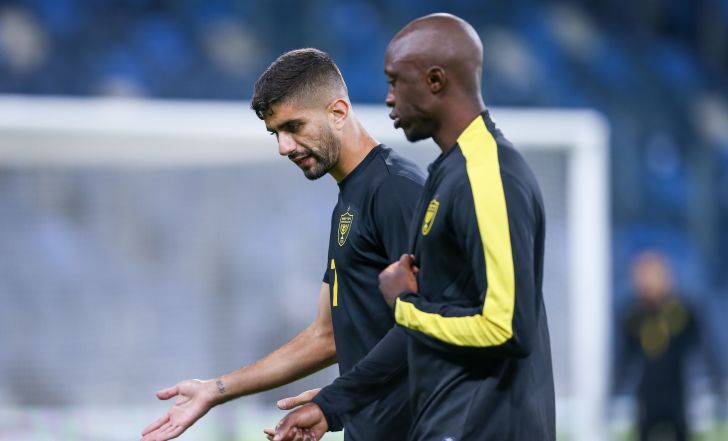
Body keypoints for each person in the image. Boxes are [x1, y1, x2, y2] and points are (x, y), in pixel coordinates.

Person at [272, 13, 556, 441]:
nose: (389, 99)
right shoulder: (448, 174)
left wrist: (405, 304)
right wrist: (334, 404)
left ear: (435, 80)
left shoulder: (488, 173)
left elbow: (506, 327)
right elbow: (430, 328)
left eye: (395, 82)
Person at [139, 48, 424, 441]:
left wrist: (335, 402)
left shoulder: (395, 191)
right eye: (276, 132)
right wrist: (215, 390)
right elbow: (326, 335)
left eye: (294, 126)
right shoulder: (350, 199)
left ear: (338, 112)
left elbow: (429, 326)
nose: (284, 147)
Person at [616, 250, 713, 441]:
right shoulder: (634, 315)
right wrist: (617, 389)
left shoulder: (681, 310)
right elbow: (626, 356)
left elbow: (702, 349)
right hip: (647, 393)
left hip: (678, 392)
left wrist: (712, 383)